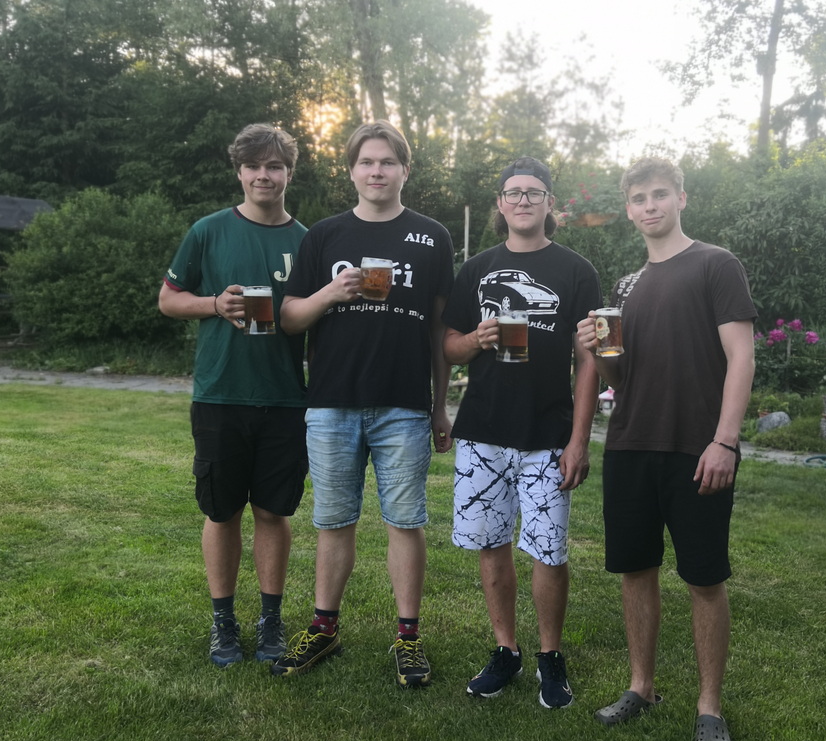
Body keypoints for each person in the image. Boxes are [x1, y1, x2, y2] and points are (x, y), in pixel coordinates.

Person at [576, 157, 756, 741]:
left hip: (697, 449)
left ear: (682, 198)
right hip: (630, 444)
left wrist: (725, 440)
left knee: (704, 578)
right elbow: (619, 380)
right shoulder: (626, 287)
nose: (649, 206)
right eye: (639, 198)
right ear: (628, 210)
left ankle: (709, 706)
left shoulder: (715, 264)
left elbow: (742, 356)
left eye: (660, 194)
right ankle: (641, 686)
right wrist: (596, 352)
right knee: (635, 571)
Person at [271, 120, 454, 687]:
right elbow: (288, 318)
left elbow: (440, 330)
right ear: (350, 170)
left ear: (404, 170)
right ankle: (324, 628)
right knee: (333, 520)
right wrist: (331, 291)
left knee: (405, 521)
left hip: (403, 403)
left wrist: (439, 406)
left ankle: (408, 638)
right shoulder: (324, 235)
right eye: (367, 162)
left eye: (387, 162)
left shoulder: (432, 236)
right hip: (332, 402)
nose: (377, 171)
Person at [442, 157, 602, 708]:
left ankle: (550, 657)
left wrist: (579, 440)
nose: (524, 200)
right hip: (483, 430)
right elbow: (449, 345)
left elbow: (589, 361)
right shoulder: (477, 269)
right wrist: (476, 340)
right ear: (501, 204)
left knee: (549, 551)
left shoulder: (576, 271)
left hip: (548, 434)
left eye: (535, 192)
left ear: (550, 203)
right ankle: (505, 650)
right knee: (491, 545)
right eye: (514, 192)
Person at [158, 123, 309, 667]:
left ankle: (271, 621)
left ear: (289, 173)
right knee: (222, 513)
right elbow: (168, 299)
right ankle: (223, 622)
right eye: (254, 166)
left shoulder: (307, 241)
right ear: (240, 172)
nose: (263, 175)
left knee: (272, 512)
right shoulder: (208, 230)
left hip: (286, 398)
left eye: (274, 166)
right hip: (220, 394)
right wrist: (213, 305)